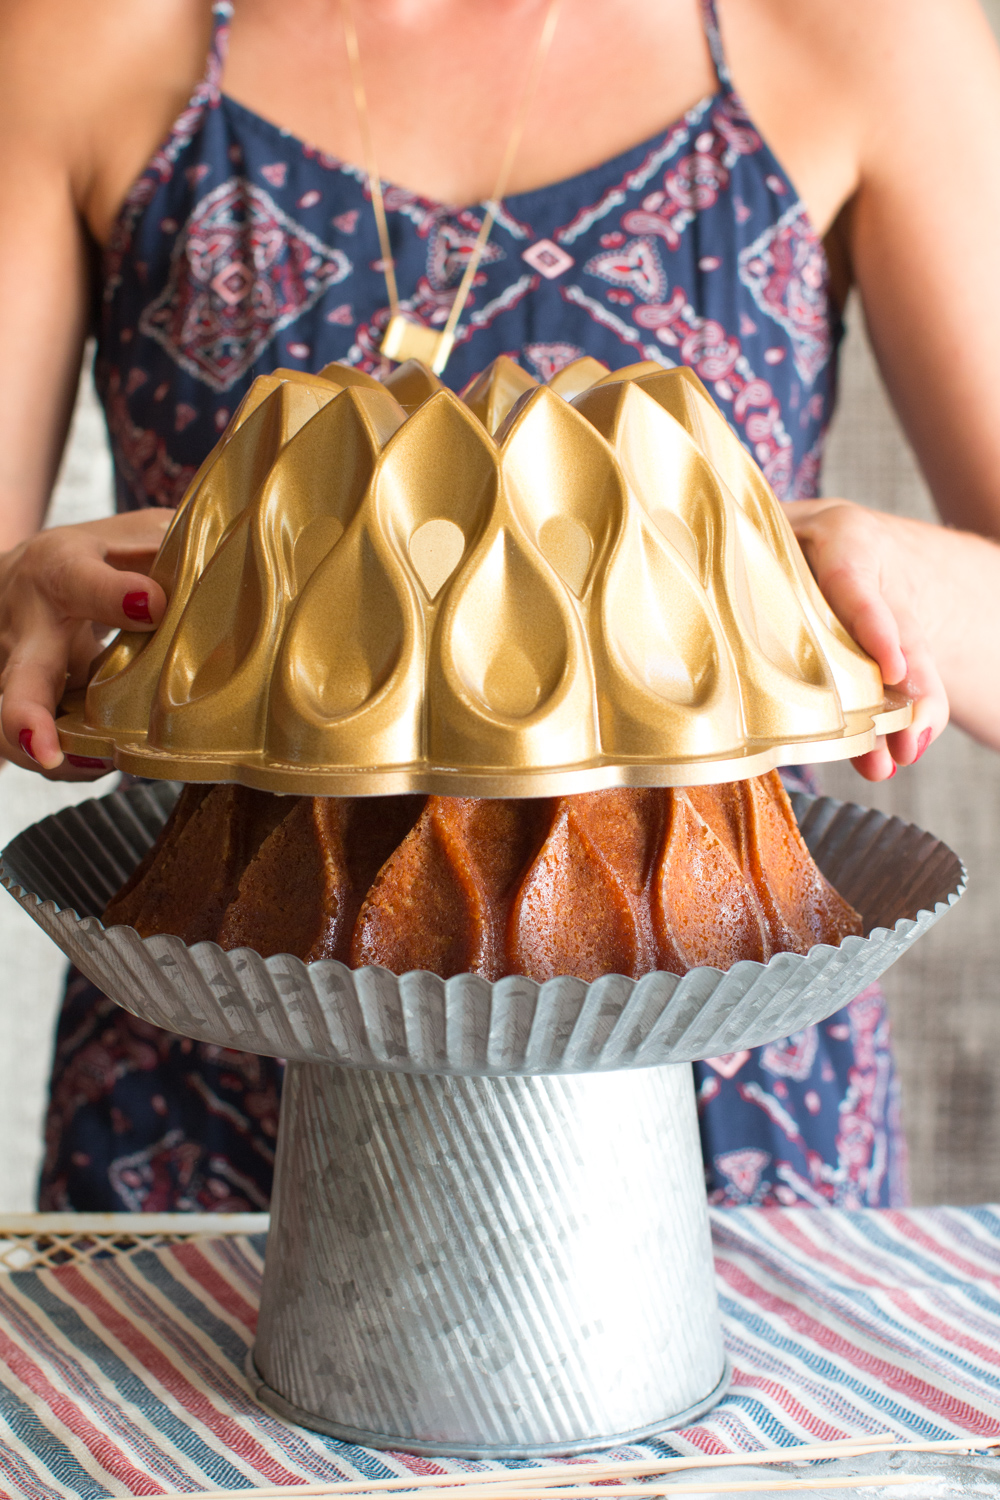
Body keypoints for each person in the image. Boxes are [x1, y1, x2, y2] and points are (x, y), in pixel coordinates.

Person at [1, 0, 999, 1211]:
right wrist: (26, 604)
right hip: (211, 1083)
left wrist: (891, 573)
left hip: (717, 1083)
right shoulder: (80, 37)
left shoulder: (863, 31)